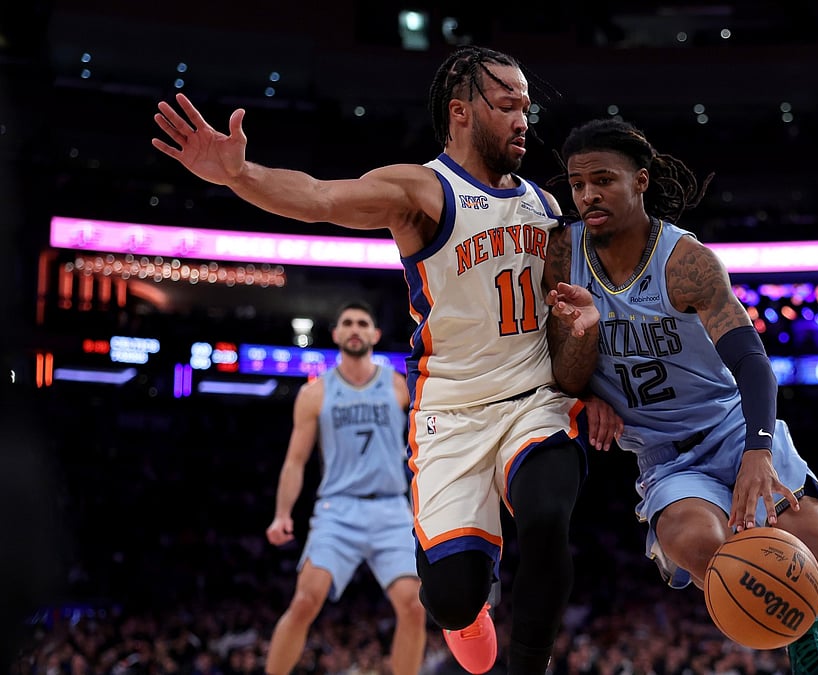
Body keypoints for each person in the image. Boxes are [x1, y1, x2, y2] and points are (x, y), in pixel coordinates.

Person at [152, 46, 595, 675]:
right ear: (462, 113)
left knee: (549, 515)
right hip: (451, 412)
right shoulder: (423, 189)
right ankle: (465, 606)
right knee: (450, 600)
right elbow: (319, 197)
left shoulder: (546, 208)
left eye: (527, 106)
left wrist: (594, 378)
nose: (524, 119)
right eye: (506, 106)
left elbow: (571, 319)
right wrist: (239, 175)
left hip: (533, 398)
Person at [543, 118, 818, 675]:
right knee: (699, 544)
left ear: (641, 181)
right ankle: (802, 636)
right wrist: (584, 379)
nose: (587, 195)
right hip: (665, 455)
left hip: (735, 427)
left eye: (603, 180)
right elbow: (564, 374)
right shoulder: (561, 253)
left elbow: (754, 367)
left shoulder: (686, 263)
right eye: (577, 184)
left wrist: (757, 453)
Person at [263, 301, 425, 675]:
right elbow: (295, 461)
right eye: (348, 323)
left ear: (375, 334)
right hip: (338, 510)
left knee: (415, 606)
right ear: (335, 334)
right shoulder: (315, 393)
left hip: (391, 509)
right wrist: (282, 514)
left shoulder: (399, 386)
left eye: (363, 323)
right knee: (305, 601)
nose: (355, 328)